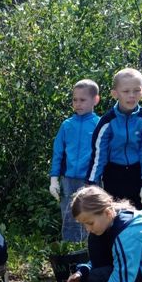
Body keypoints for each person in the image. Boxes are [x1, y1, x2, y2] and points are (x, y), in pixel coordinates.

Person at [86, 68, 142, 210]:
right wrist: (91, 184)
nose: (131, 95)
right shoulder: (107, 121)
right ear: (115, 94)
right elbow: (98, 155)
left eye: (136, 90)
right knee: (113, 218)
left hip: (138, 174)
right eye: (126, 91)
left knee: (141, 218)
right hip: (113, 174)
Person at [49, 79, 101, 241]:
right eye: (74, 99)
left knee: (91, 212)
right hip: (68, 179)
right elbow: (58, 153)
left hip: (90, 180)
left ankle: (90, 246)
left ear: (95, 100)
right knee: (69, 213)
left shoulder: (99, 124)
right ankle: (70, 247)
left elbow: (103, 154)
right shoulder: (66, 125)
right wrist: (54, 179)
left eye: (83, 100)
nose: (78, 104)